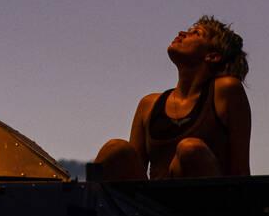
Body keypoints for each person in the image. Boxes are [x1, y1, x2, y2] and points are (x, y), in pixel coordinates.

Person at [94, 15, 251, 180]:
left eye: (196, 33)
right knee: (115, 148)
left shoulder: (226, 90)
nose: (182, 33)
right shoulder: (149, 104)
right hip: (150, 204)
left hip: (209, 203)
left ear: (212, 56)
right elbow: (132, 171)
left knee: (190, 148)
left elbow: (241, 171)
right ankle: (83, 200)